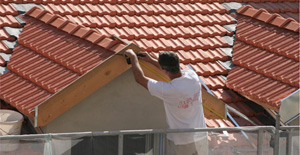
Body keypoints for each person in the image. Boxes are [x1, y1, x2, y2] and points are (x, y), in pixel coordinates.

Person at [124, 49, 208, 155]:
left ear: (165, 70)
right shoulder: (192, 77)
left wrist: (133, 58)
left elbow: (140, 79)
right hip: (201, 135)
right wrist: (151, 60)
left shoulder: (169, 90)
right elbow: (172, 72)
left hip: (181, 141)